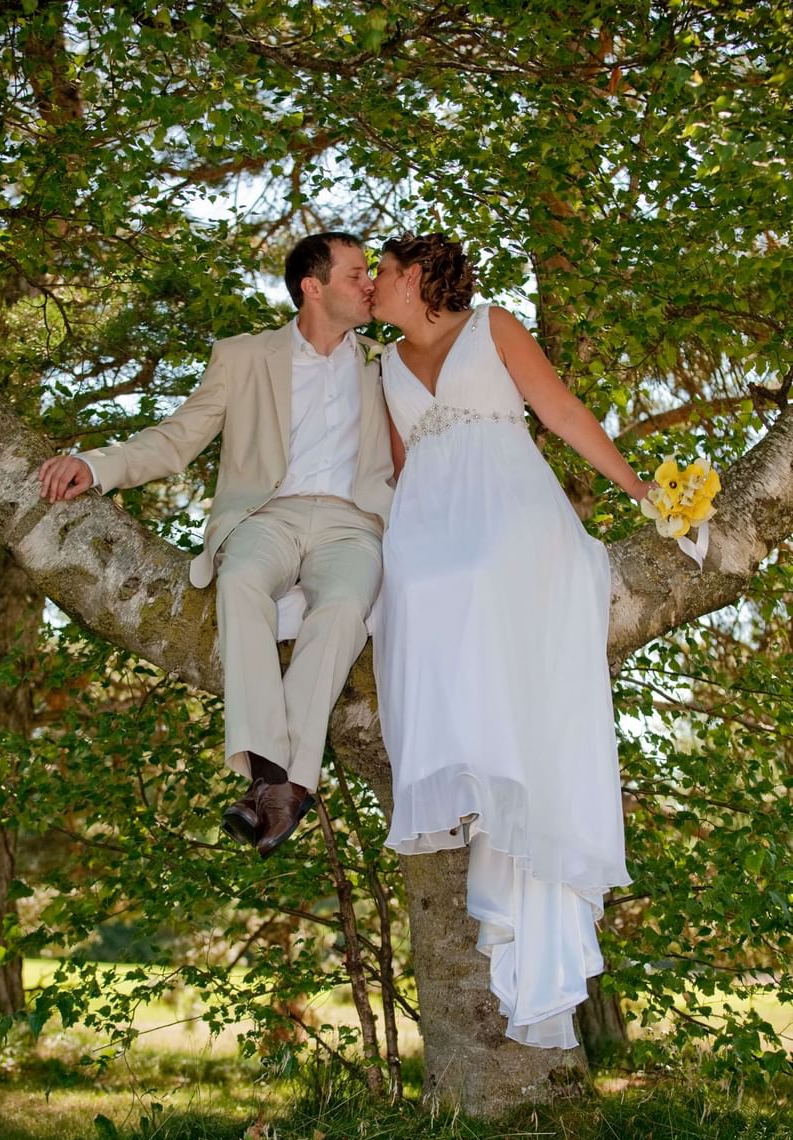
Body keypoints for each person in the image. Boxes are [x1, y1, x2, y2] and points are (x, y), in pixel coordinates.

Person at [370, 233, 648, 1049]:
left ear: (415, 277)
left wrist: (635, 486)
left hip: (511, 511)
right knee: (413, 586)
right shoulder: (383, 364)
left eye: (381, 275)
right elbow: (395, 469)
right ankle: (472, 768)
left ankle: (514, 783)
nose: (372, 287)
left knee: (488, 576)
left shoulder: (495, 326)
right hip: (427, 522)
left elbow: (559, 411)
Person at [39, 233, 394, 858]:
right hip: (267, 515)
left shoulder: (384, 363)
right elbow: (178, 438)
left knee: (342, 609)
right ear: (313, 286)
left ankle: (271, 786)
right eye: (357, 273)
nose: (371, 284)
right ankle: (282, 783)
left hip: (353, 523)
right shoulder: (243, 356)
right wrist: (96, 465)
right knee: (241, 582)